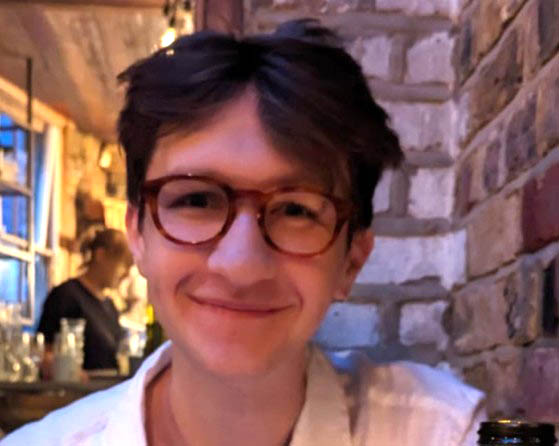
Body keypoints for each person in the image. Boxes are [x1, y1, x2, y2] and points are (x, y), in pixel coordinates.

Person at [2, 19, 485, 445]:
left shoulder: (442, 434)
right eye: (196, 200)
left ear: (352, 260)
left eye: (295, 210)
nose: (241, 266)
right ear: (139, 236)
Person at [37, 227, 133, 373]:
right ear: (101, 255)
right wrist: (70, 372)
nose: (126, 275)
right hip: (76, 387)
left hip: (109, 386)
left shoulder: (110, 305)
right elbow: (44, 353)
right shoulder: (65, 296)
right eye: (124, 265)